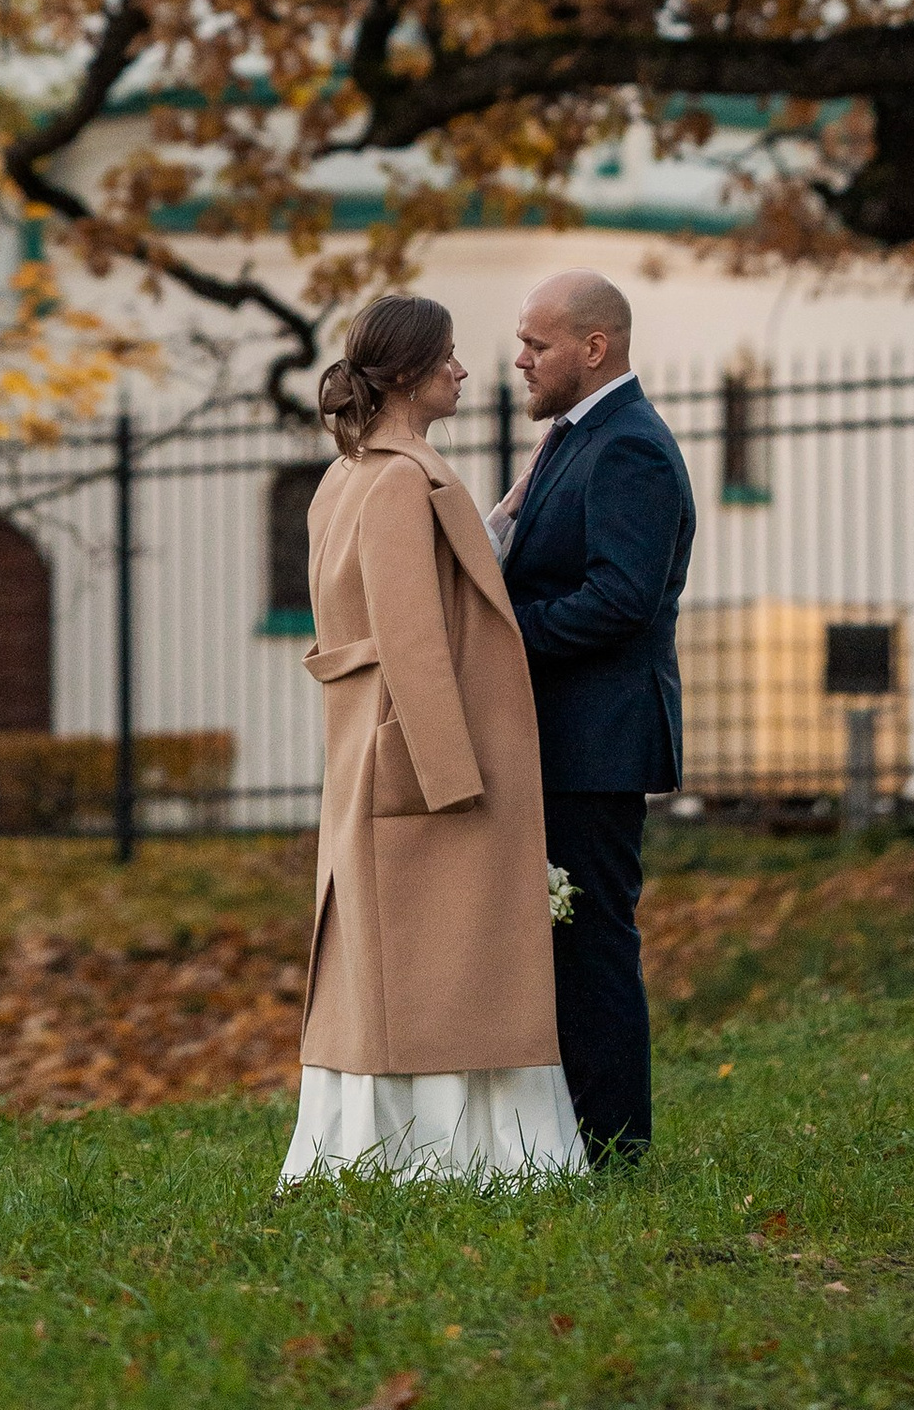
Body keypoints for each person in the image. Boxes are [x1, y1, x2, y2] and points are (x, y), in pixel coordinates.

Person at [282, 293, 585, 1186]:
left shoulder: (353, 474)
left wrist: (499, 514)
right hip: (420, 753)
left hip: (369, 749)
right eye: (449, 358)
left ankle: (397, 1153)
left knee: (401, 967)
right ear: (411, 373)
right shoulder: (399, 480)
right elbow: (413, 633)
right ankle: (468, 1162)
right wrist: (449, 774)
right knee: (449, 969)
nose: (463, 371)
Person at [490, 271, 695, 1161]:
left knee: (595, 945)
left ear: (594, 348)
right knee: (563, 946)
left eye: (537, 343)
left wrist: (498, 637)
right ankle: (575, 1138)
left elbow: (621, 599)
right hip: (561, 735)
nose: (521, 359)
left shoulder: (630, 448)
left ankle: (616, 1147)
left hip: (598, 741)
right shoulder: (578, 438)